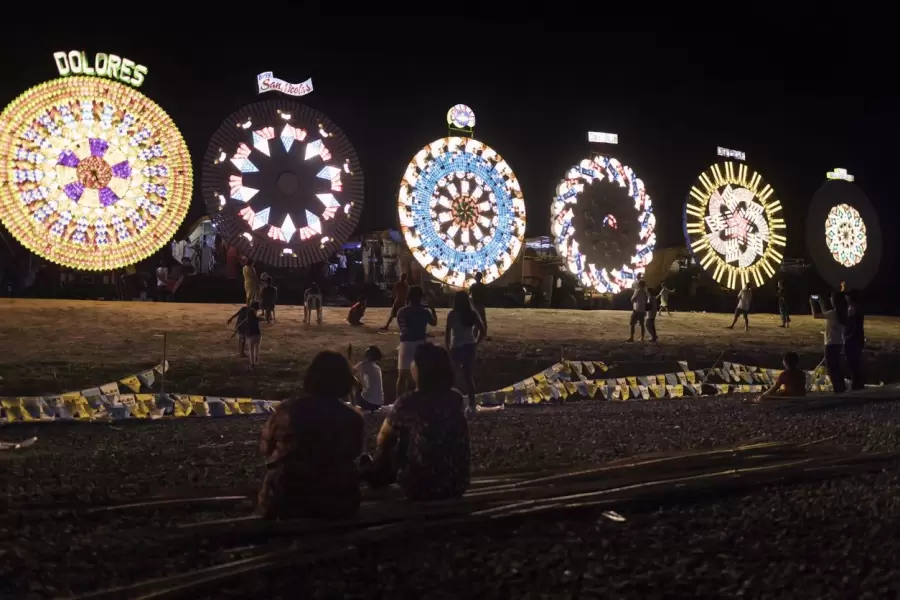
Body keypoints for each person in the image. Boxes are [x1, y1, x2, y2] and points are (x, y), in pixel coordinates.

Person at [257, 351, 365, 520]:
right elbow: (355, 452)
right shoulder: (353, 418)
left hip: (287, 500)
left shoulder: (287, 411)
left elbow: (265, 449)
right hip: (338, 502)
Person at [362, 343, 470, 501]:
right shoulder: (456, 398)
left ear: (419, 369)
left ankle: (376, 476)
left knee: (395, 442)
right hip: (457, 484)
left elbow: (383, 437)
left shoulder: (409, 401)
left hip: (422, 487)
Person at [445, 290, 486, 410]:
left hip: (456, 346)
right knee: (468, 376)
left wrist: (448, 347)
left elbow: (448, 333)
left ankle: (451, 402)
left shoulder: (452, 314)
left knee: (452, 376)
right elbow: (482, 331)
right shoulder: (472, 314)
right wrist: (475, 342)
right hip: (469, 346)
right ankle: (472, 403)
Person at [396, 286, 438, 398]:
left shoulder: (401, 311)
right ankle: (416, 401)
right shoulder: (424, 312)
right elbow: (434, 323)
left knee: (402, 377)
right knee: (417, 377)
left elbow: (402, 328)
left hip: (405, 344)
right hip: (419, 344)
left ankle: (397, 403)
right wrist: (432, 308)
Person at [810, 291, 847, 393]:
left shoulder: (833, 313)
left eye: (831, 298)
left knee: (831, 369)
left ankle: (838, 390)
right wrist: (821, 303)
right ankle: (841, 389)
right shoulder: (842, 313)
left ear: (834, 301)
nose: (830, 299)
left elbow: (816, 315)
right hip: (839, 343)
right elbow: (825, 315)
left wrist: (812, 303)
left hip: (830, 344)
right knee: (837, 367)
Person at [227, 301, 261, 365]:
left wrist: (230, 319)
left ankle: (241, 353)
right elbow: (249, 320)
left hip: (239, 326)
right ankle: (241, 353)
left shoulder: (243, 308)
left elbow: (236, 314)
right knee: (242, 340)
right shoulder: (251, 311)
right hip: (243, 327)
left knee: (241, 339)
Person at [844, 289, 866, 390]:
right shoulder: (858, 307)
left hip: (852, 340)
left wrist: (846, 336)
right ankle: (858, 384)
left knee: (853, 362)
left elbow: (851, 325)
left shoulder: (852, 308)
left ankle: (856, 385)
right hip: (857, 339)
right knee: (856, 362)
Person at [353, 345, 384, 412]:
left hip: (367, 403)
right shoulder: (378, 368)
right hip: (378, 403)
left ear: (369, 355)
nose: (365, 352)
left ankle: (353, 406)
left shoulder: (362, 364)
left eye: (367, 351)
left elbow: (349, 373)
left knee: (351, 379)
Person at [468, 272, 488, 338]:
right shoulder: (482, 286)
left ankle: (475, 334)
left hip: (475, 305)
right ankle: (483, 333)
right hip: (480, 304)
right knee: (482, 319)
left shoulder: (473, 286)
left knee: (476, 319)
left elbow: (469, 294)